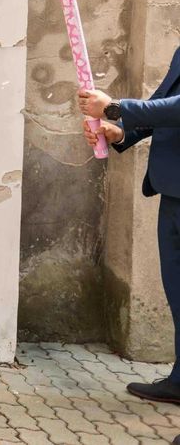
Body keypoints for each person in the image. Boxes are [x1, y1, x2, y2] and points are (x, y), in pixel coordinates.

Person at [79, 44, 180, 406]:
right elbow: (161, 105)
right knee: (178, 295)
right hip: (173, 190)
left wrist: (115, 107)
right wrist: (118, 131)